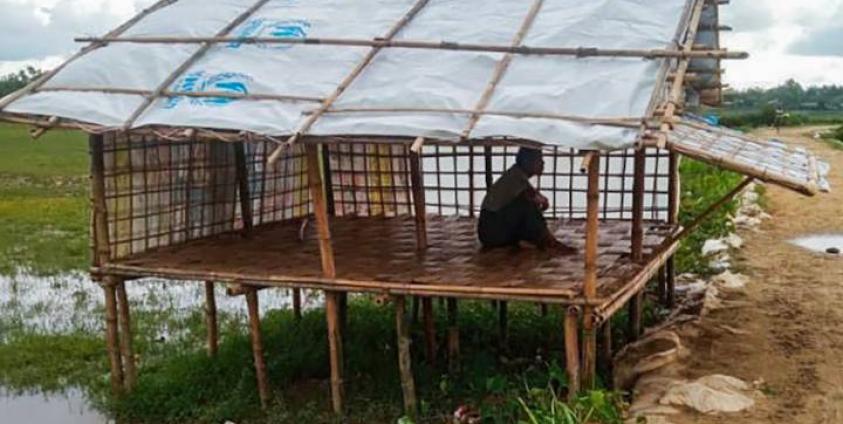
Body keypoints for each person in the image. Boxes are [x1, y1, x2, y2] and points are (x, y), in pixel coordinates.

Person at [477, 147, 575, 253]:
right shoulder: (515, 177)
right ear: (527, 162)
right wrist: (540, 202)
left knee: (527, 206)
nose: (543, 163)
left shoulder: (516, 174)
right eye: (539, 159)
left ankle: (545, 240)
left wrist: (540, 201)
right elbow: (534, 199)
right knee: (527, 205)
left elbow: (537, 197)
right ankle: (548, 242)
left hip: (490, 232)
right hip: (492, 233)